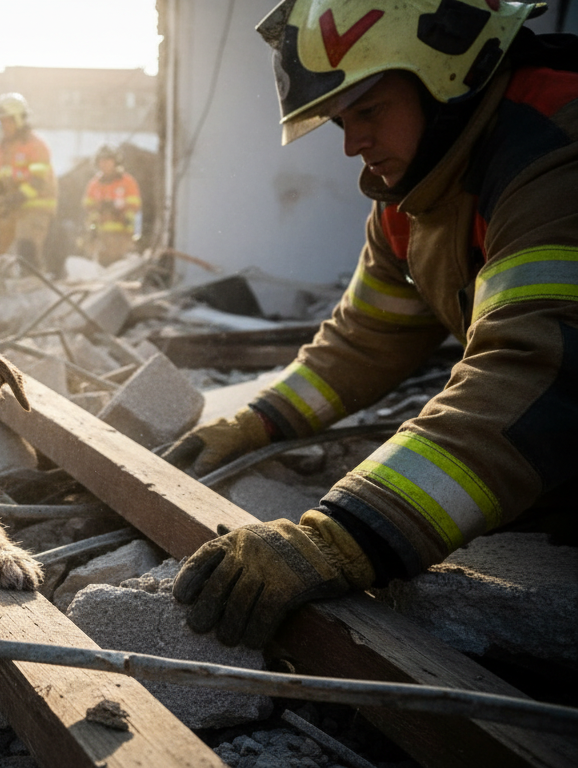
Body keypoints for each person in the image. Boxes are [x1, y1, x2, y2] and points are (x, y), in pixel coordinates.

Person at [164, 0, 578, 650]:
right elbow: (362, 341)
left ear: (449, 74)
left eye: (368, 110)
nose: (352, 143)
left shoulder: (555, 150)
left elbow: (538, 373)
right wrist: (254, 424)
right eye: (339, 121)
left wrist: (341, 537)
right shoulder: (418, 194)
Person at [0, 92, 58, 274]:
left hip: (36, 207)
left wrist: (16, 197)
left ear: (20, 119)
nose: (4, 126)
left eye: (7, 120)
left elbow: (38, 183)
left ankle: (31, 283)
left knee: (26, 246)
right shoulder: (1, 149)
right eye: (1, 121)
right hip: (12, 206)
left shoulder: (36, 146)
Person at [82, 145, 142, 266]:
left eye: (108, 160)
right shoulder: (94, 184)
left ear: (115, 162)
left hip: (122, 234)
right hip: (101, 235)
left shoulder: (127, 182)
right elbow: (87, 206)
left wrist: (117, 208)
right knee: (101, 265)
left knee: (121, 265)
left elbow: (135, 205)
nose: (104, 164)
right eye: (101, 161)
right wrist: (100, 207)